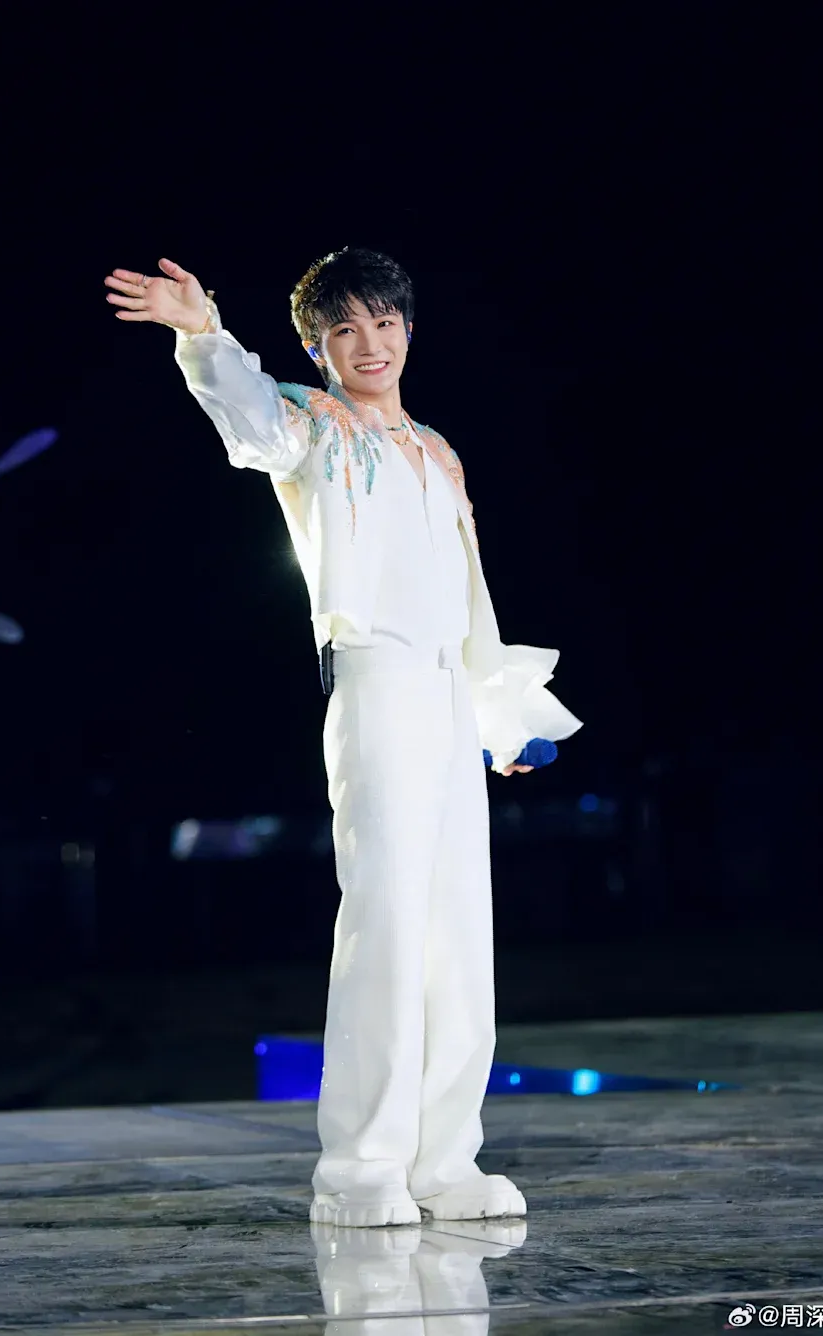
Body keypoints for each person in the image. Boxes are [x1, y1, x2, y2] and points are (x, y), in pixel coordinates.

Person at [103, 249, 582, 1227]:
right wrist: (202, 331)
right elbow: (248, 418)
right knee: (388, 927)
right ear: (317, 347)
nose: (370, 344)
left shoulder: (438, 450)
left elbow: (471, 595)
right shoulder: (312, 426)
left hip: (448, 693)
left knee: (461, 941)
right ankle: (362, 1171)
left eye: (384, 322)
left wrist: (500, 714)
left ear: (409, 329)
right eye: (345, 330)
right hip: (377, 683)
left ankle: (445, 1163)